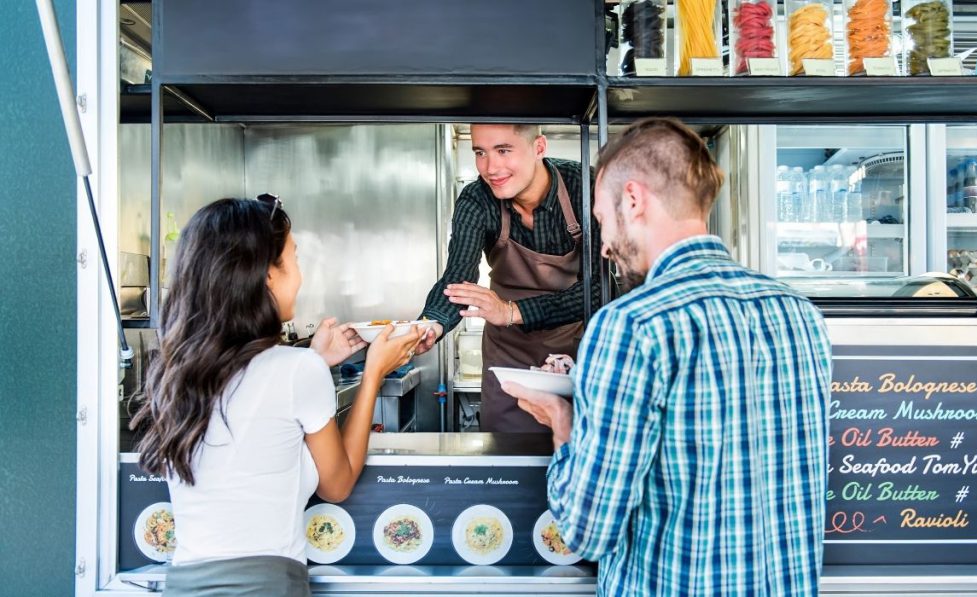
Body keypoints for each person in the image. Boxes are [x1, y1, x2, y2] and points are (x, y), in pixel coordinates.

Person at [504, 118, 832, 595]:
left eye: (602, 219)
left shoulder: (631, 325)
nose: (607, 243)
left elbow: (586, 530)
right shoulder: (800, 315)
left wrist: (562, 421)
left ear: (633, 200)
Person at [130, 196, 423, 596]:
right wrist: (373, 372)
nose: (300, 276)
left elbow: (258, 422)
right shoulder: (297, 371)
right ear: (268, 275)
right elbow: (336, 485)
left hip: (183, 584)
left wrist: (317, 359)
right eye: (295, 259)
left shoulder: (173, 373)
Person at [414, 124, 600, 433]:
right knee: (506, 456)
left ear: (539, 147)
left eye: (503, 151)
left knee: (577, 444)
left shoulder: (585, 186)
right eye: (480, 153)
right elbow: (459, 275)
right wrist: (430, 325)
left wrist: (512, 311)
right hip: (507, 357)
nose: (490, 168)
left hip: (576, 353)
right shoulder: (477, 199)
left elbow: (600, 290)